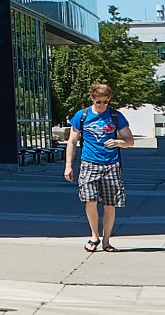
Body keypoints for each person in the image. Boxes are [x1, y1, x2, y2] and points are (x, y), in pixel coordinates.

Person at [65, 79, 138, 251]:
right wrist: (68, 165)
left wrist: (119, 142)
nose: (102, 105)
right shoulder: (82, 115)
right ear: (92, 98)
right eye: (98, 102)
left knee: (110, 204)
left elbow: (130, 141)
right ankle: (94, 236)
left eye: (105, 102)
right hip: (89, 163)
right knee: (89, 201)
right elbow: (72, 141)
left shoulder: (115, 116)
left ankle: (106, 240)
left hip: (111, 165)